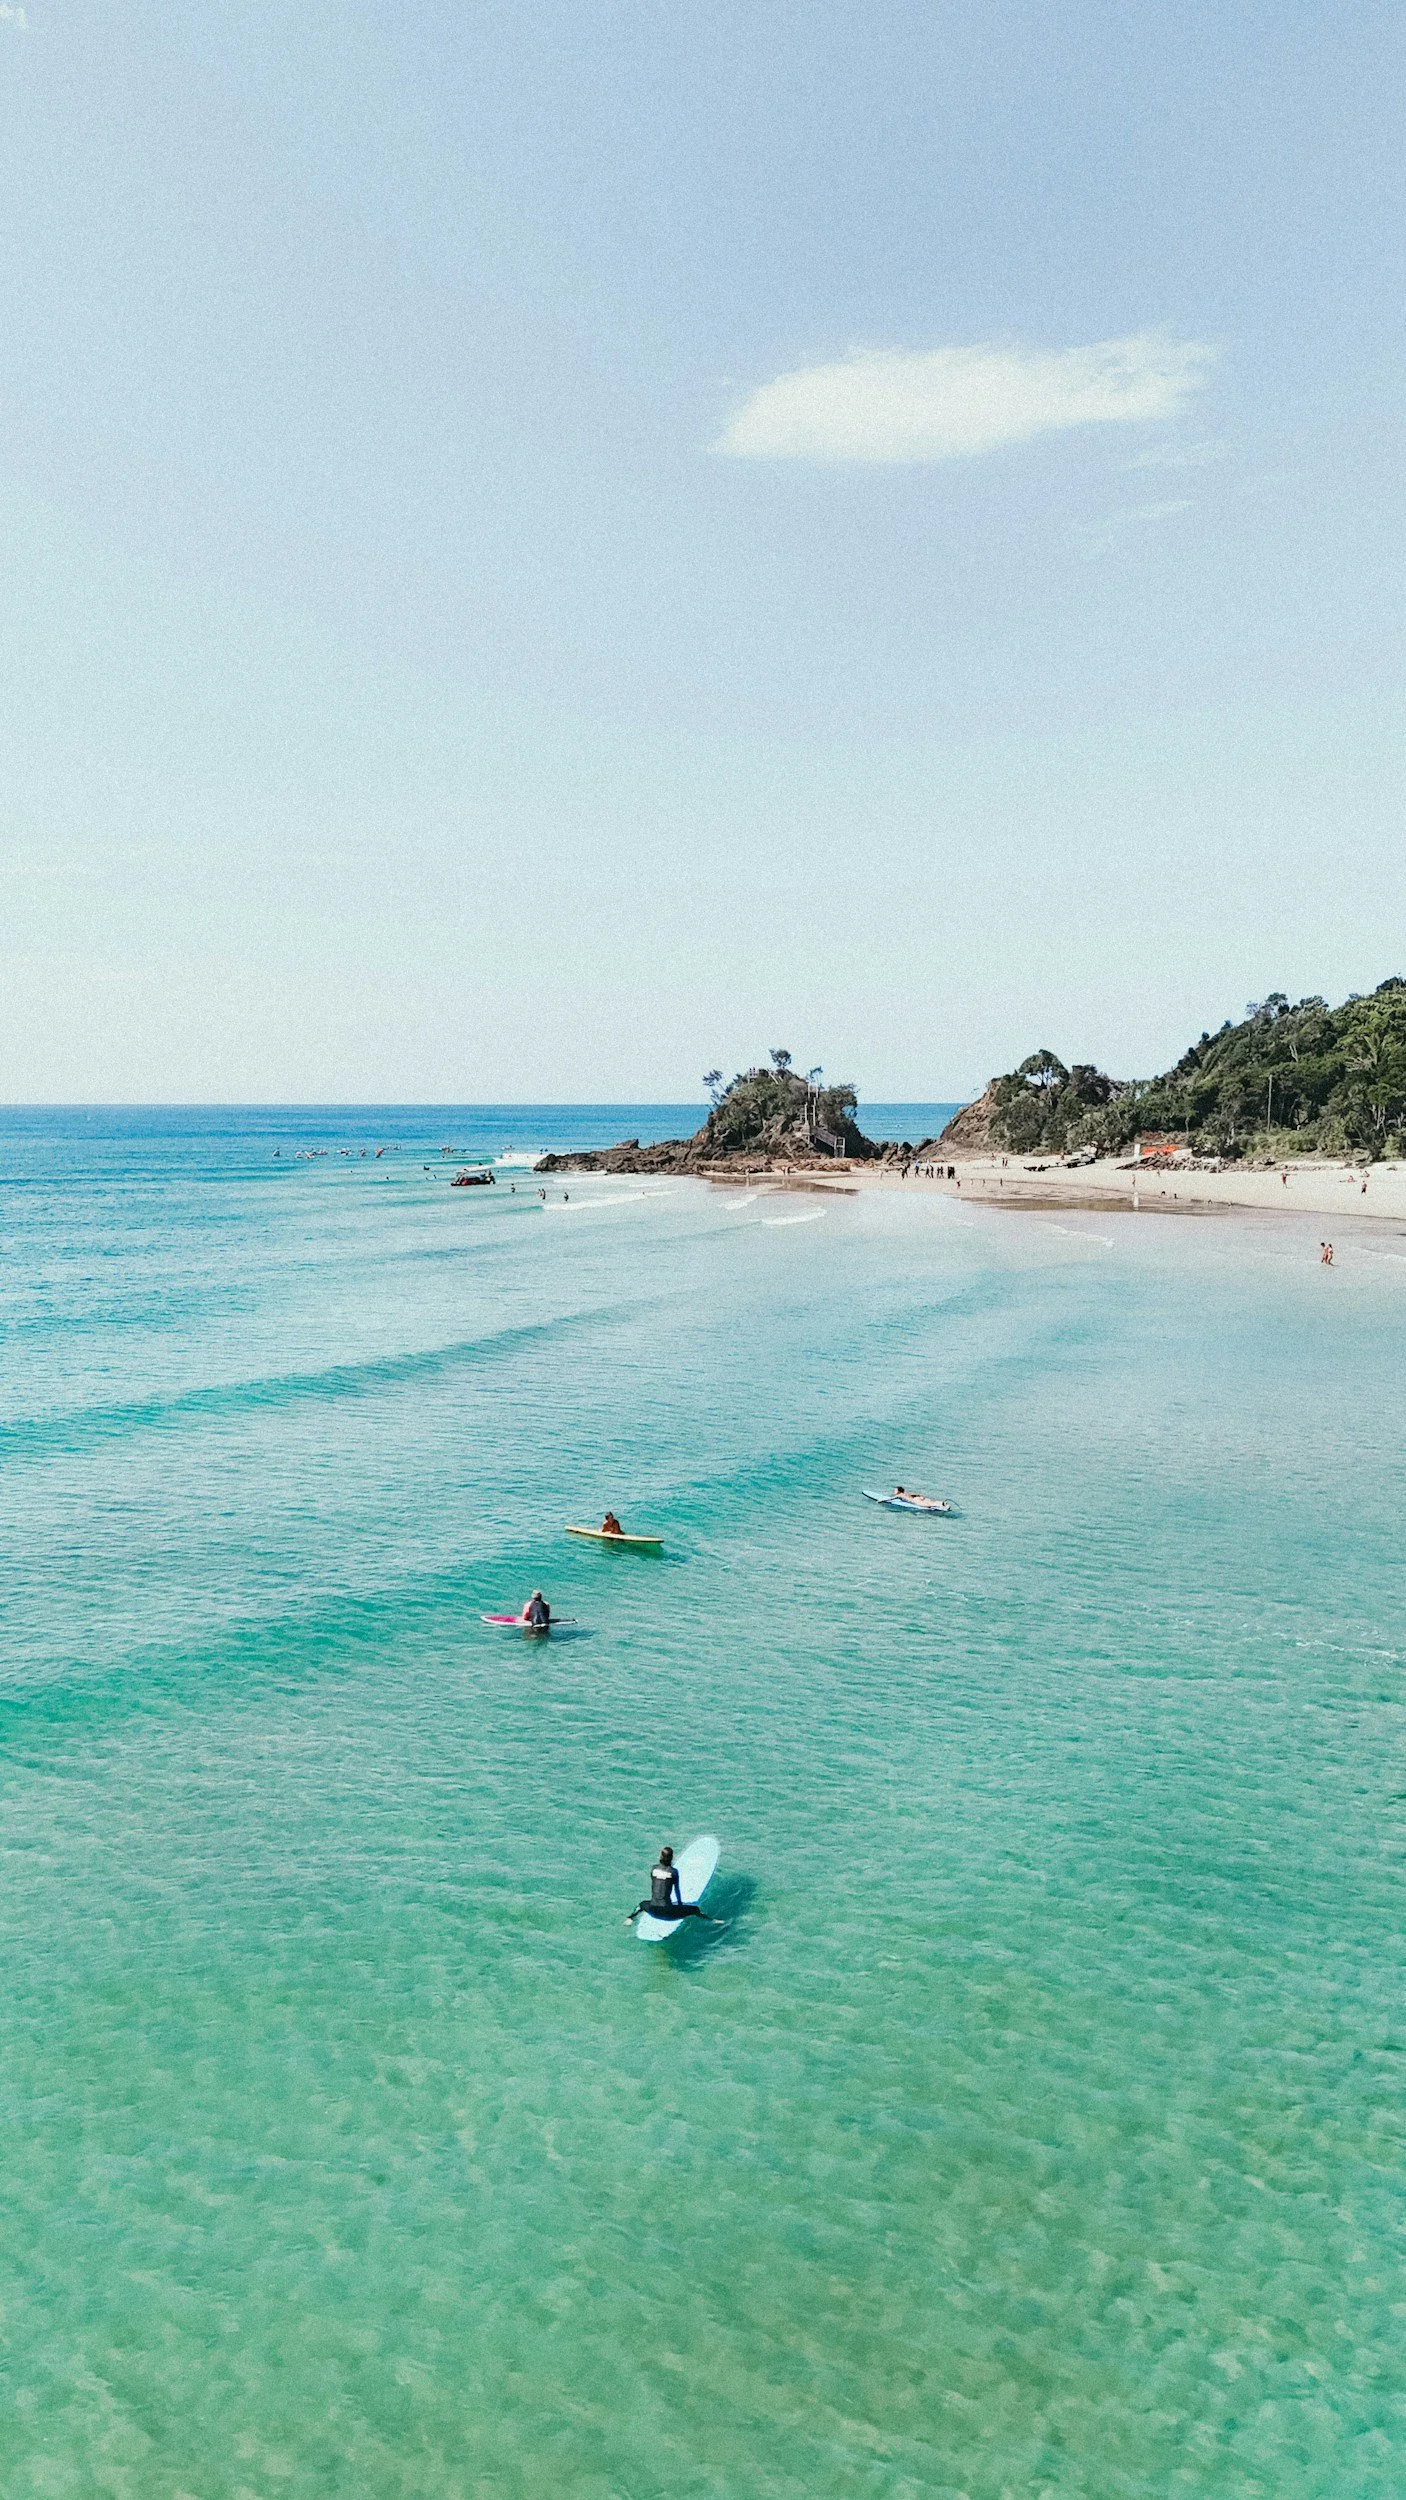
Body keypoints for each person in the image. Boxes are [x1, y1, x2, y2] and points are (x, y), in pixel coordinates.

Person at [625, 1844, 709, 1925]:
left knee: (641, 1904)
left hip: (653, 1910)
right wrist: (680, 1905)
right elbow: (677, 1890)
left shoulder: (653, 1868)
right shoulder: (673, 1872)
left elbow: (656, 1884)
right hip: (668, 1913)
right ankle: (710, 1920)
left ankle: (630, 1918)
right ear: (671, 1858)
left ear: (660, 1857)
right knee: (694, 1909)